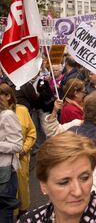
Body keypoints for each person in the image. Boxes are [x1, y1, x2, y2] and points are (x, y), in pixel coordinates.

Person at [18, 131, 96, 222]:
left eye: (84, 178)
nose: (78, 191)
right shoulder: (29, 220)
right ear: (44, 185)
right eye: (64, 182)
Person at [0, 83, 36, 217]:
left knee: (21, 190)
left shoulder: (22, 110)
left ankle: (23, 214)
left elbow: (32, 133)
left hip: (20, 158)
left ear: (8, 96)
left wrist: (24, 150)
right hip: (5, 162)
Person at [0, 84, 23, 223]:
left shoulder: (8, 115)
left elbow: (17, 145)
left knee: (4, 212)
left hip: (5, 171)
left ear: (7, 96)